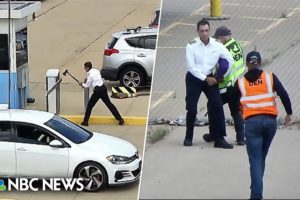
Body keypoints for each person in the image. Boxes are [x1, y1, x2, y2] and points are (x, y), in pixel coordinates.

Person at [233, 51, 293, 199]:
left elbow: (233, 102)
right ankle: (256, 187)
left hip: (252, 124)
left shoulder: (240, 82)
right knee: (261, 157)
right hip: (270, 123)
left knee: (255, 159)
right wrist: (289, 113)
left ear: (246, 64)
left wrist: (239, 112)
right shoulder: (269, 77)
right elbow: (284, 94)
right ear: (259, 63)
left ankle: (256, 195)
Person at [184, 19, 234, 149]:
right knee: (192, 109)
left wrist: (220, 77)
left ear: (210, 30)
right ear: (197, 31)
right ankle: (188, 137)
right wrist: (206, 79)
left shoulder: (217, 44)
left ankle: (219, 139)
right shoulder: (191, 46)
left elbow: (230, 60)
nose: (204, 34)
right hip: (195, 79)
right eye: (202, 31)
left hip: (211, 79)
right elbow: (191, 67)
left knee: (217, 105)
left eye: (207, 31)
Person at [204, 26, 246, 146]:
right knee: (236, 111)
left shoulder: (223, 49)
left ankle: (213, 134)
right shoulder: (237, 43)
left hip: (226, 86)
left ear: (222, 37)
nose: (217, 41)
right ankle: (241, 138)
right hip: (238, 83)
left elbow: (223, 67)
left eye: (217, 39)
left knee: (212, 106)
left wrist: (217, 78)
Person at [79, 61, 124, 126]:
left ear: (87, 68)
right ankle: (120, 119)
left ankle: (85, 122)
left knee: (89, 106)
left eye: (85, 67)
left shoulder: (90, 75)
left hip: (97, 91)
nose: (84, 69)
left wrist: (81, 84)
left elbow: (86, 86)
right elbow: (96, 78)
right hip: (103, 88)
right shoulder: (96, 71)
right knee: (109, 104)